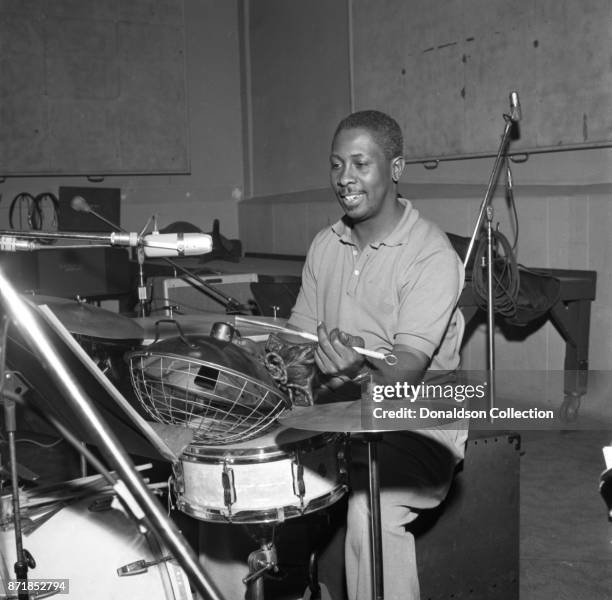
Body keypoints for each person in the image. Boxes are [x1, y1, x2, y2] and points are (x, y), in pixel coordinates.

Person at [287, 110, 467, 600]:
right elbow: (296, 341)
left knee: (374, 509)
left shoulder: (430, 254)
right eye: (336, 164)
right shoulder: (325, 246)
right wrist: (274, 358)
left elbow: (406, 370)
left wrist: (358, 372)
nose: (345, 178)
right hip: (339, 409)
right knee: (239, 468)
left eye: (360, 164)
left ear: (396, 168)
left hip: (421, 419)